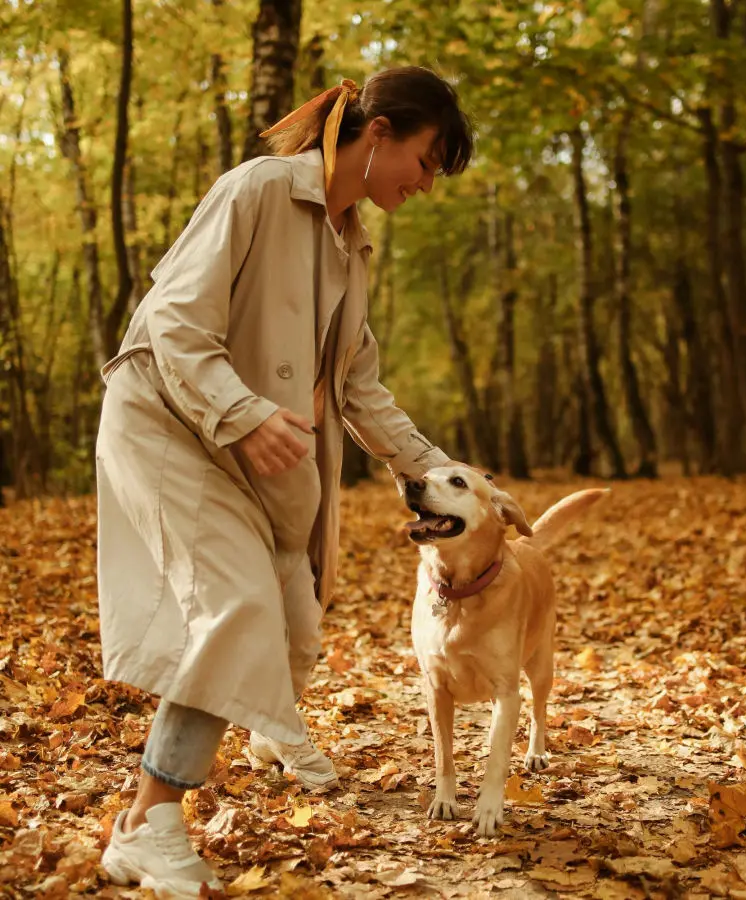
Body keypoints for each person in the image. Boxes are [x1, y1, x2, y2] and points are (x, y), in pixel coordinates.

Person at [95, 66, 473, 898]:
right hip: (167, 421)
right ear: (379, 134)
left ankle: (251, 743)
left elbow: (358, 388)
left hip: (240, 451)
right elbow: (173, 321)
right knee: (238, 606)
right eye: (426, 160)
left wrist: (438, 473)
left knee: (291, 619)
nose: (426, 184)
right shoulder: (260, 189)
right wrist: (243, 411)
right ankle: (151, 825)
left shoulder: (349, 247)